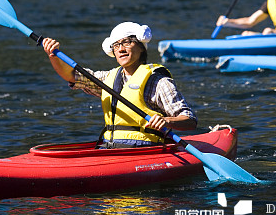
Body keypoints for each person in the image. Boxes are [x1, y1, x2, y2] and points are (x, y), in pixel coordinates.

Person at [41, 21, 197, 148]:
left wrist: (167, 121)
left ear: (141, 47)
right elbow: (71, 76)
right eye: (116, 45)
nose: (121, 49)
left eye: (127, 42)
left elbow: (190, 120)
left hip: (146, 149)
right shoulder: (108, 78)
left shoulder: (159, 82)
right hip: (110, 147)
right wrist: (53, 55)